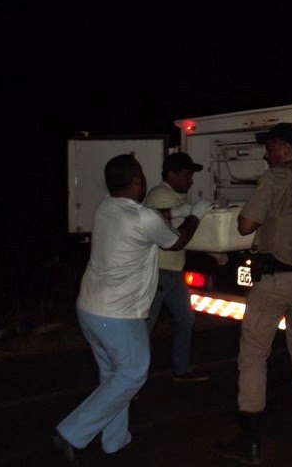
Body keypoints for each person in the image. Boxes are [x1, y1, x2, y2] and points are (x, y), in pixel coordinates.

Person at [53, 154, 211, 463]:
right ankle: (71, 432)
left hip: (89, 308)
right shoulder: (142, 218)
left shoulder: (105, 208)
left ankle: (115, 441)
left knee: (114, 376)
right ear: (137, 181)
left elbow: (151, 216)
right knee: (133, 375)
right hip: (118, 315)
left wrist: (178, 210)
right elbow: (176, 242)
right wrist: (196, 215)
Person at [215, 123, 292, 465]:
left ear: (284, 148)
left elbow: (244, 225)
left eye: (269, 149)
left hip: (277, 277)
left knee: (254, 351)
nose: (266, 155)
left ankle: (250, 440)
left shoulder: (277, 178)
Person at [144, 152, 210, 383]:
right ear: (171, 174)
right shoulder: (161, 196)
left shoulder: (173, 196)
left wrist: (213, 250)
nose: (191, 180)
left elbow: (185, 233)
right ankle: (133, 378)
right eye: (187, 175)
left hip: (172, 272)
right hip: (158, 271)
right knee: (146, 326)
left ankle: (181, 370)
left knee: (185, 319)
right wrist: (196, 215)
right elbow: (176, 237)